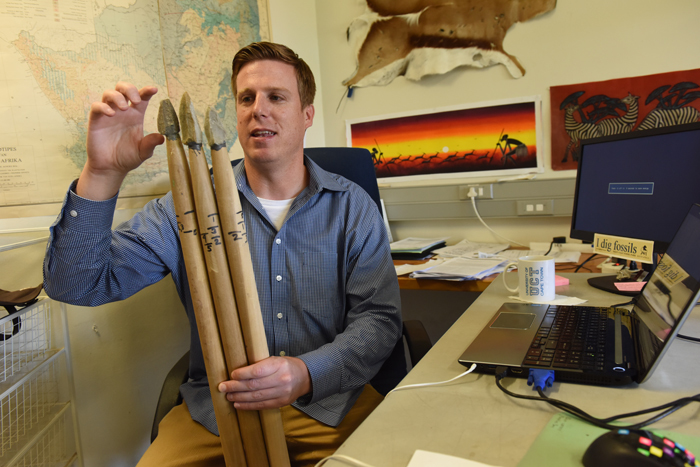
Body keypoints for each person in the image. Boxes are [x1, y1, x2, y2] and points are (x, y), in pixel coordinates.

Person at [43, 42, 402, 466]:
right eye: (246, 98)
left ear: (308, 115)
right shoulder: (188, 204)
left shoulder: (351, 206)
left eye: (276, 97)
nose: (258, 109)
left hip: (329, 405)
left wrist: (305, 374)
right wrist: (101, 174)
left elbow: (379, 321)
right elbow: (76, 285)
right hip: (219, 414)